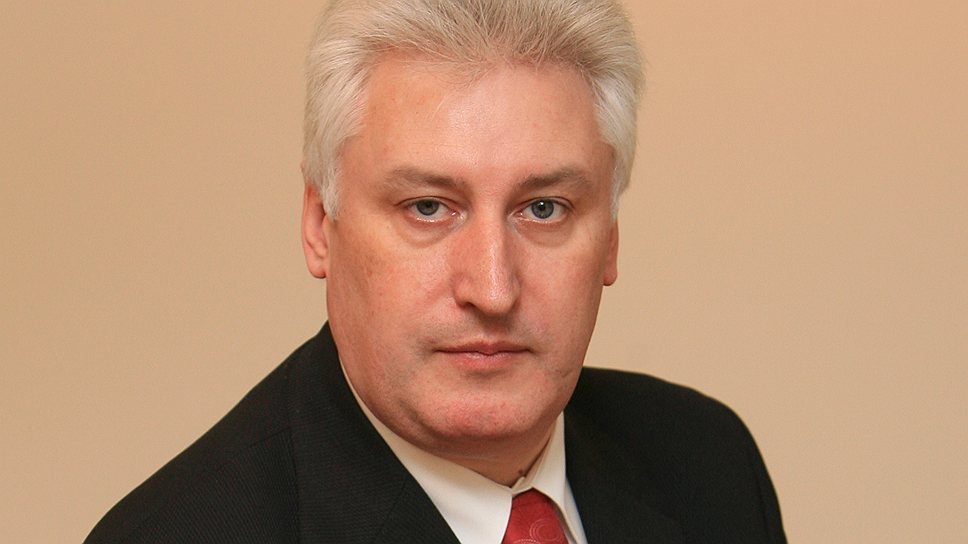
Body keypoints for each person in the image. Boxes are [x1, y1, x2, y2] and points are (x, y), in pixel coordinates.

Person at [86, 0, 786, 542]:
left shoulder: (710, 463)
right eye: (428, 207)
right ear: (319, 224)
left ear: (609, 238)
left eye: (544, 208)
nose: (492, 289)